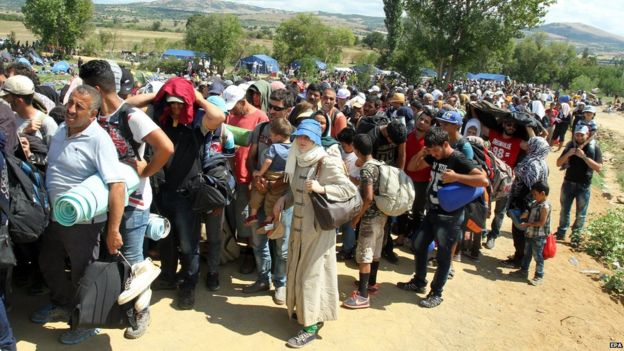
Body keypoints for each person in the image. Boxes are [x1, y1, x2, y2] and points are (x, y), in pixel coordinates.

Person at [79, 60, 174, 338]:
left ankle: (140, 313)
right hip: (103, 198)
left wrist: (147, 170)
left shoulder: (130, 116)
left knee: (131, 259)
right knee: (110, 256)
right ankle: (110, 308)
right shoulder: (97, 115)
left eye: (84, 87)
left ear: (96, 88)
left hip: (134, 201)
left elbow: (165, 147)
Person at [33, 86, 127, 344]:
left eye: (79, 107)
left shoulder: (99, 140)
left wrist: (113, 230)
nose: (71, 110)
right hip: (55, 217)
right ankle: (62, 305)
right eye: (70, 103)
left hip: (84, 224)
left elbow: (117, 185)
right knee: (48, 262)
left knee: (83, 275)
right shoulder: (61, 131)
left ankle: (86, 323)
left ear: (94, 113)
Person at [273, 119, 357, 348]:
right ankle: (303, 312)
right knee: (298, 271)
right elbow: (296, 193)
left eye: (307, 137)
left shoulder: (326, 161)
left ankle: (312, 324)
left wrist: (323, 188)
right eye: (300, 136)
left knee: (312, 276)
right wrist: (284, 199)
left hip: (318, 231)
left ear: (316, 140)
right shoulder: (297, 159)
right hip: (299, 231)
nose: (302, 141)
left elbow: (349, 190)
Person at [150, 77, 226, 310]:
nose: (175, 107)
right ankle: (168, 276)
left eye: (180, 103)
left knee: (188, 243)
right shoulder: (159, 124)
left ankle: (188, 285)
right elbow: (129, 105)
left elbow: (219, 116)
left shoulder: (196, 128)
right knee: (165, 240)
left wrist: (197, 97)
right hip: (163, 191)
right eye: (172, 102)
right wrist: (160, 94)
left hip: (186, 195)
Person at [397, 126, 488, 308]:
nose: (434, 154)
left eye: (436, 150)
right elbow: (412, 167)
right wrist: (423, 153)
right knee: (419, 244)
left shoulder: (458, 159)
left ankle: (437, 293)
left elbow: (483, 180)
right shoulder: (433, 156)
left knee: (444, 256)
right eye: (431, 150)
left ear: (445, 144)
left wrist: (456, 177)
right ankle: (419, 281)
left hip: (450, 217)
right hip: (432, 212)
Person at [242, 89, 294, 303]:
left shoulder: (297, 135)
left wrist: (274, 182)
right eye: (270, 106)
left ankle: (280, 284)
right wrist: (257, 179)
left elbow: (297, 172)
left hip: (282, 198)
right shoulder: (261, 129)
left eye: (277, 108)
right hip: (260, 191)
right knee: (258, 239)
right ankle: (263, 279)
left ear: (288, 110)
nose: (271, 111)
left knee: (282, 244)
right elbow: (251, 158)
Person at [224, 84, 269, 275]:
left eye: (235, 106)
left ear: (243, 101)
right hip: (231, 174)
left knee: (250, 217)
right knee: (236, 215)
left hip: (249, 176)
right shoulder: (230, 115)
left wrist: (255, 175)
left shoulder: (260, 118)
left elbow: (263, 151)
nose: (233, 110)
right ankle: (235, 249)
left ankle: (250, 255)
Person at [343, 134, 386, 309]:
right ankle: (371, 284)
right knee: (375, 251)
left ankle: (362, 296)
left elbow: (368, 197)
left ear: (357, 150)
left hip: (369, 216)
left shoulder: (367, 169)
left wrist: (357, 217)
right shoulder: (379, 165)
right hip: (382, 215)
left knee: (365, 254)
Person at [502, 137, 550, 268]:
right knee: (523, 232)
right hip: (533, 203)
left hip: (524, 203)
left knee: (519, 231)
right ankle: (520, 257)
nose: (527, 146)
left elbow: (527, 186)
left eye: (530, 145)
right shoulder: (543, 163)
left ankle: (518, 259)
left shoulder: (532, 163)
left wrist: (518, 203)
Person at [555, 126, 602, 247]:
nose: (579, 137)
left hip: (584, 185)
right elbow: (558, 163)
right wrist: (569, 154)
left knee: (581, 213)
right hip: (568, 182)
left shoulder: (594, 147)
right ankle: (561, 232)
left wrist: (584, 157)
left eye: (582, 135)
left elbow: (598, 168)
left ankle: (576, 237)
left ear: (587, 135)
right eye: (577, 135)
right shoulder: (570, 146)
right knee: (564, 210)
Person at [247, 118, 292, 234]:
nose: (270, 138)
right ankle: (268, 220)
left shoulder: (274, 147)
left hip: (269, 174)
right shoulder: (293, 149)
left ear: (279, 136)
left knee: (258, 192)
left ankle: (253, 214)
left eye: (272, 136)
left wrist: (259, 173)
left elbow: (268, 161)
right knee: (272, 199)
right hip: (282, 177)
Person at [510, 181, 551, 286]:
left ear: (542, 193)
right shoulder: (535, 203)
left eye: (535, 194)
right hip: (530, 234)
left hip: (538, 236)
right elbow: (529, 209)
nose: (534, 196)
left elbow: (542, 222)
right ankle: (523, 271)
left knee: (538, 256)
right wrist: (526, 214)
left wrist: (528, 224)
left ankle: (539, 276)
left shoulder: (545, 207)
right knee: (527, 253)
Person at [0, 75, 58, 146]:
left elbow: (54, 153)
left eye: (6, 97)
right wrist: (24, 133)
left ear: (19, 101)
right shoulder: (11, 119)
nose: (4, 100)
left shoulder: (47, 123)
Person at [336, 127, 360, 260]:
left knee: (348, 226)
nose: (342, 147)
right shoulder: (339, 152)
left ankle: (348, 249)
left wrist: (344, 173)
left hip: (351, 196)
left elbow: (358, 182)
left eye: (344, 145)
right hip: (337, 194)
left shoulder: (358, 158)